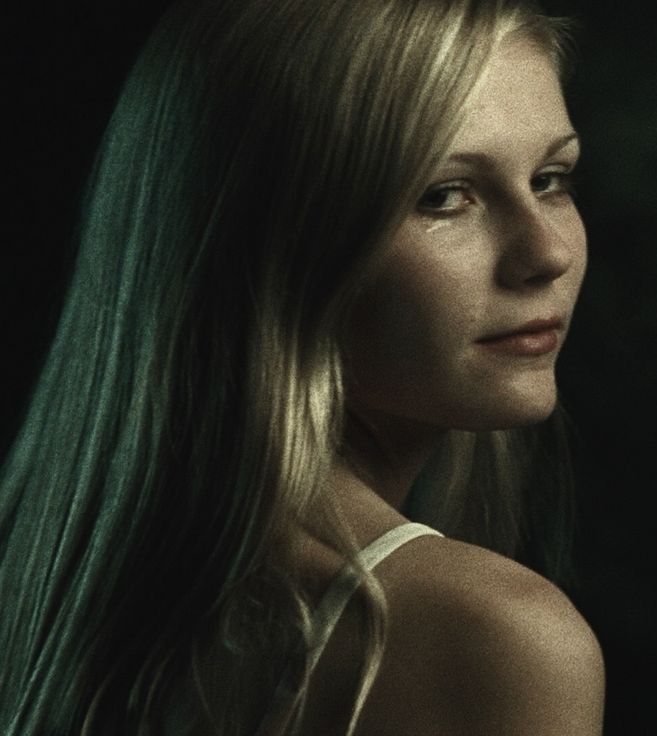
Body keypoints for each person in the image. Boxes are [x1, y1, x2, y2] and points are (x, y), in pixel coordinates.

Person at [0, 0, 605, 733]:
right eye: (444, 196)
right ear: (271, 247)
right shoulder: (492, 637)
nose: (547, 254)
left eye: (551, 178)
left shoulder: (47, 590)